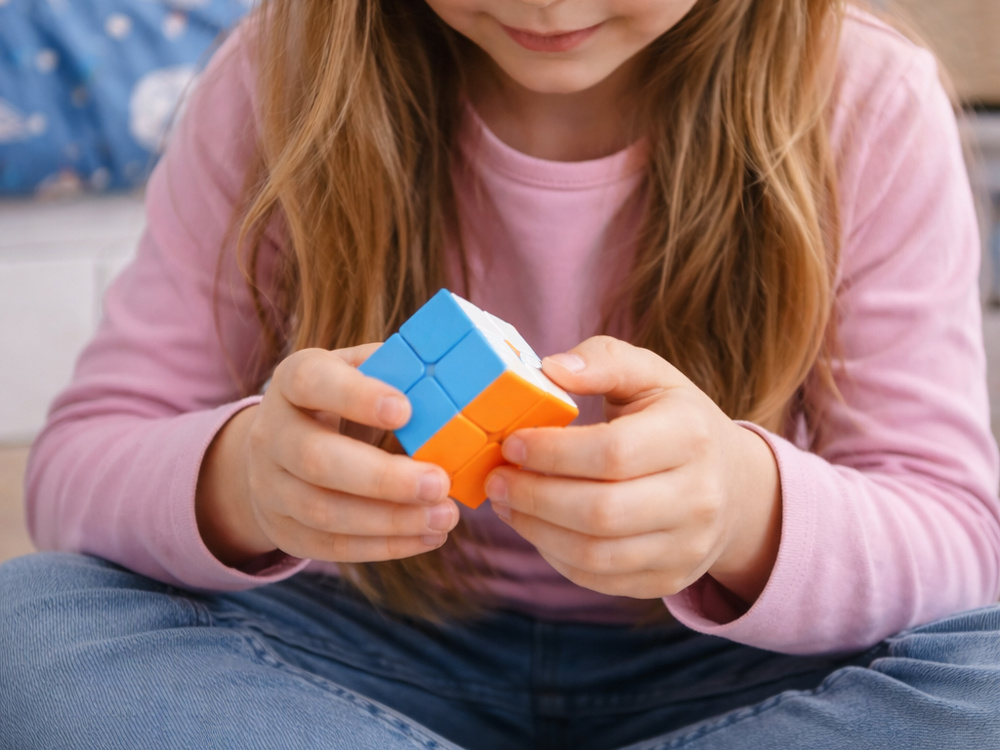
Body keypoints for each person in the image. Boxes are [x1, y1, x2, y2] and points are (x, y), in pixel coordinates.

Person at [1, 0, 998, 747]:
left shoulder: (863, 92)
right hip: (365, 643)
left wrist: (744, 512)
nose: (549, 4)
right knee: (30, 624)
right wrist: (244, 481)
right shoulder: (276, 72)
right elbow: (77, 465)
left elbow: (957, 540)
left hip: (742, 673)